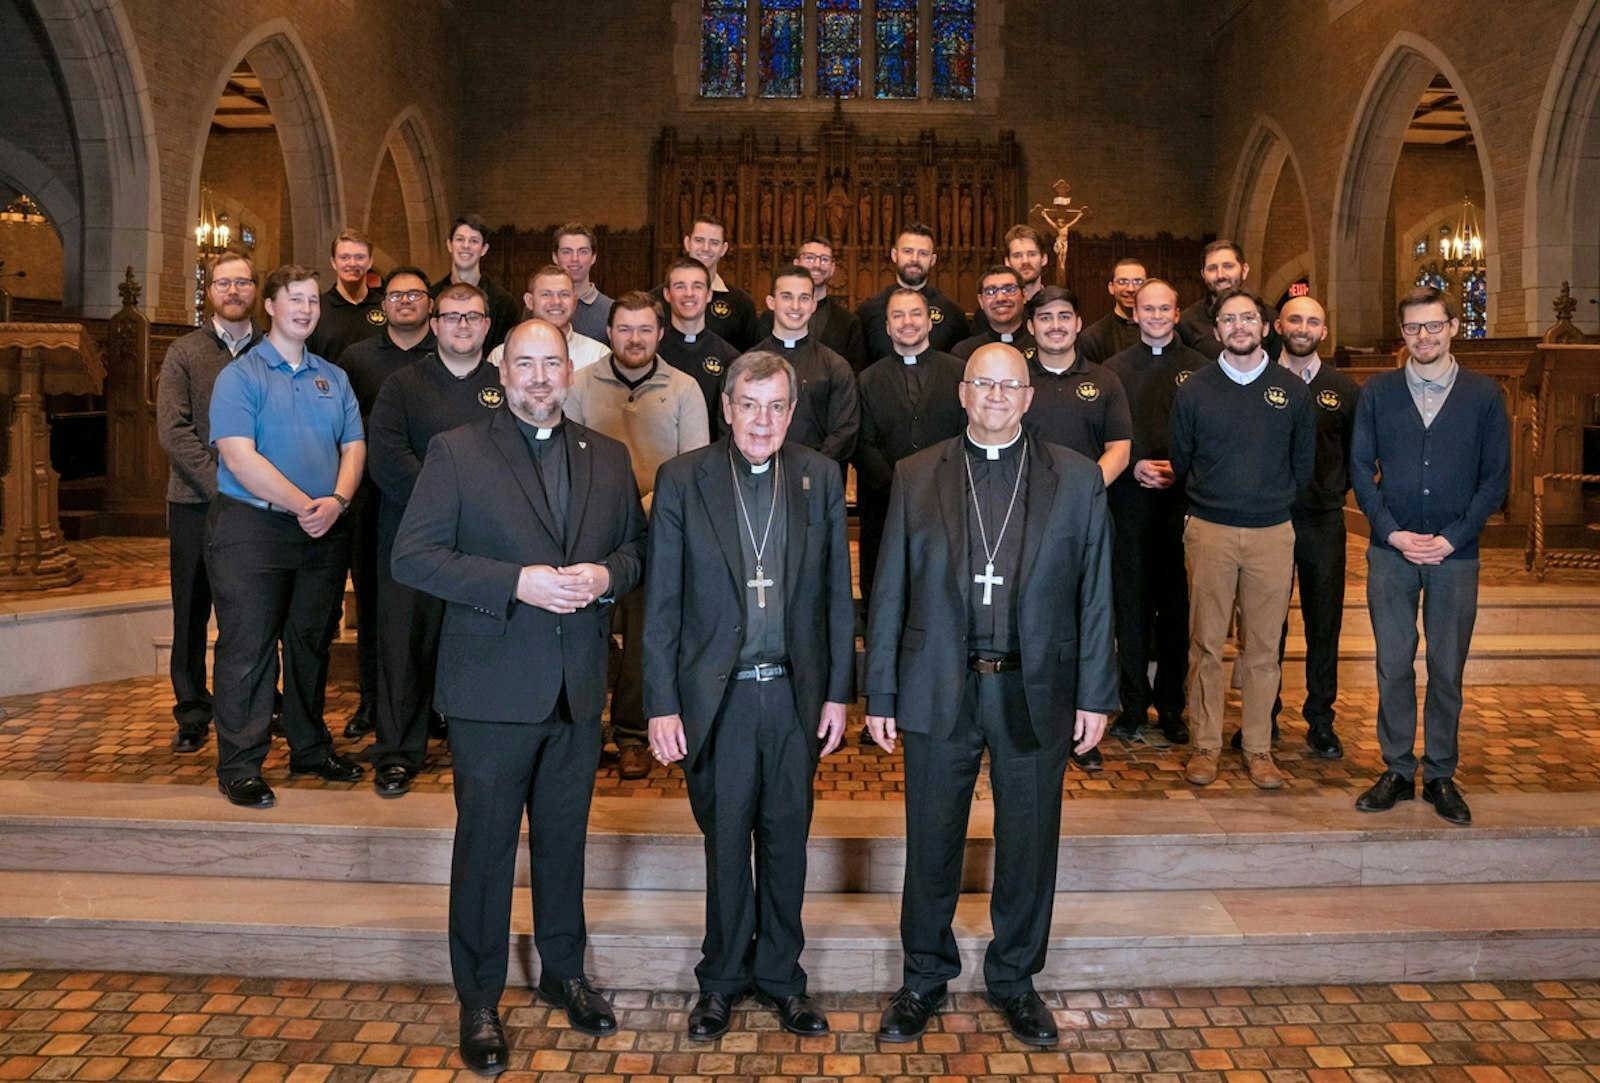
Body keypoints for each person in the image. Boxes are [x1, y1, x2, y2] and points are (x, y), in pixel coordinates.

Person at [391, 318, 646, 1073]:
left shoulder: (607, 455)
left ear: (571, 372)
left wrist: (607, 577)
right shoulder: (458, 452)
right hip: (493, 691)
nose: (539, 378)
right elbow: (415, 556)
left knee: (565, 841)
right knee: (486, 850)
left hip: (575, 689)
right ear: (503, 371)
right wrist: (515, 582)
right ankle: (478, 998)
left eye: (552, 364)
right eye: (525, 363)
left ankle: (565, 972)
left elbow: (635, 550)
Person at [864, 342, 1116, 1047]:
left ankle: (1014, 976)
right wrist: (879, 691)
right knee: (932, 837)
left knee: (1030, 840)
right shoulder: (918, 475)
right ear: (964, 393)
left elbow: (1096, 592)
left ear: (1029, 397)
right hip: (938, 682)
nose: (997, 396)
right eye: (984, 383)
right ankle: (923, 974)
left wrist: (1096, 693)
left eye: (1011, 385)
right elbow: (889, 589)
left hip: (1035, 688)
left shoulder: (1076, 478)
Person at [644, 350, 854, 1042]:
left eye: (776, 406)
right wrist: (661, 701)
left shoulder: (819, 476)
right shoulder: (683, 479)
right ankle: (721, 980)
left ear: (792, 412)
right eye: (749, 404)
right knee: (727, 841)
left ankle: (783, 978)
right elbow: (663, 603)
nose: (762, 420)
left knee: (787, 841)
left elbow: (832, 593)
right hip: (719, 697)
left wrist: (838, 692)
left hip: (794, 693)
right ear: (725, 406)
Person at [206, 264, 367, 808]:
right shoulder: (241, 376)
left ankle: (309, 746)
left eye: (313, 302)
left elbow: (354, 446)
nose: (305, 309)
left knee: (309, 645)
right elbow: (238, 457)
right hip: (254, 528)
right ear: (270, 307)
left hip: (323, 529)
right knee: (248, 648)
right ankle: (240, 763)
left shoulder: (333, 376)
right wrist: (306, 505)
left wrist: (338, 502)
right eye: (294, 299)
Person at [1351, 286, 1510, 827]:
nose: (1424, 337)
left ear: (1453, 328)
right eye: (1414, 328)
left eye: (1433, 326)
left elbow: (1495, 480)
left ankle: (1441, 772)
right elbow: (1359, 471)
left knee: (1446, 668)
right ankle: (1396, 767)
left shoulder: (1484, 395)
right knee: (1393, 665)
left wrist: (1454, 537)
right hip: (1390, 554)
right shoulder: (1377, 392)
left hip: (1456, 555)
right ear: (1403, 335)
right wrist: (1392, 533)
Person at [364, 283, 505, 797]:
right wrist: (448, 506)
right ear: (435, 323)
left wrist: (479, 512)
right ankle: (398, 751)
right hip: (414, 539)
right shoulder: (403, 385)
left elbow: (515, 457)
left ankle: (482, 748)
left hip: (488, 543)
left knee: (481, 646)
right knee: (404, 645)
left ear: (488, 325)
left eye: (472, 316)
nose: (462, 325)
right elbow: (388, 457)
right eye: (451, 316)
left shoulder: (505, 384)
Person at [1169, 289, 1314, 789]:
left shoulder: (1291, 390)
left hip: (1272, 531)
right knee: (1206, 644)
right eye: (1229, 319)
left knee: (1263, 648)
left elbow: (1303, 463)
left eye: (1247, 317)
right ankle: (1205, 745)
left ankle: (1258, 748)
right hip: (1209, 528)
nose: (1239, 326)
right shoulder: (1195, 390)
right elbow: (1182, 458)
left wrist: (1269, 497)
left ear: (1265, 326)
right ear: (1216, 332)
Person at [565, 291, 709, 779]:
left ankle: (630, 734)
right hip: (590, 536)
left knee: (645, 638)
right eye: (624, 328)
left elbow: (692, 468)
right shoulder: (580, 384)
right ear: (608, 333)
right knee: (588, 635)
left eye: (645, 329)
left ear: (660, 334)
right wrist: (607, 516)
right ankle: (584, 730)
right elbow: (569, 457)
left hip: (659, 536)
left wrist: (637, 510)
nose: (634, 338)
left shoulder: (685, 388)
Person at [156, 250, 261, 754]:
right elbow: (173, 429)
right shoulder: (184, 352)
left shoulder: (270, 351)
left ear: (255, 289)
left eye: (242, 282)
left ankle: (253, 701)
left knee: (251, 610)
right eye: (224, 283)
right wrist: (224, 482)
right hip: (197, 503)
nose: (234, 291)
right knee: (192, 610)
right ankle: (193, 709)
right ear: (210, 291)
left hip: (261, 506)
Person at [330, 265, 436, 741]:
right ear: (383, 304)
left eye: (415, 294)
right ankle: (373, 700)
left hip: (438, 499)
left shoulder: (446, 354)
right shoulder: (358, 358)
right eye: (396, 295)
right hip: (373, 498)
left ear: (431, 304)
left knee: (434, 605)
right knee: (374, 602)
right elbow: (342, 428)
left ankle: (433, 704)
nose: (406, 301)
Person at [1102, 280, 1210, 747]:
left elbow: (1210, 435)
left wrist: (1177, 470)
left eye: (1165, 308)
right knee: (1130, 608)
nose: (1157, 315)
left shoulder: (1203, 370)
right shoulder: (1113, 370)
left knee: (1177, 608)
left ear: (1177, 311)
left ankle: (1171, 705)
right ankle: (1131, 706)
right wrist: (1139, 462)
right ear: (1135, 311)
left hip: (1181, 503)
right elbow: (1106, 433)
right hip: (1129, 501)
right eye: (1149, 308)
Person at [1269, 295, 1360, 759]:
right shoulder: (1259, 379)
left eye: (1313, 322)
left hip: (1322, 521)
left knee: (1324, 624)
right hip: (1270, 519)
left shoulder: (1343, 389)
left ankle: (1321, 720)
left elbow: (1356, 455)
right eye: (1295, 319)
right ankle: (1263, 717)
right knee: (1268, 626)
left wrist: (1334, 490)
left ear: (1324, 331)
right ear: (1278, 325)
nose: (1303, 328)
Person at [854, 287, 965, 613]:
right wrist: (898, 488)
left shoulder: (959, 372)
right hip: (883, 504)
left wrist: (934, 486)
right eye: (897, 315)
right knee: (884, 593)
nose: (907, 322)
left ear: (930, 321)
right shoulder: (867, 379)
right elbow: (863, 442)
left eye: (915, 313)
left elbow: (966, 433)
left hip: (946, 501)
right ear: (887, 327)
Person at [753, 265, 860, 467]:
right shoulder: (748, 365)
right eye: (786, 296)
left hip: (817, 477)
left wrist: (810, 468)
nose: (796, 306)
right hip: (758, 474)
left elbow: (845, 430)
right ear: (771, 302)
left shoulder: (835, 366)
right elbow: (734, 424)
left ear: (813, 304)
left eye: (803, 298)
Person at [857, 224, 971, 360]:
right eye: (907, 251)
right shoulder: (868, 310)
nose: (914, 259)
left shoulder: (952, 313)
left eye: (923, 253)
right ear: (894, 255)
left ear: (933, 260)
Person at [759, 235, 869, 370]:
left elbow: (855, 372)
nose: (817, 265)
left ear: (832, 268)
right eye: (809, 258)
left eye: (824, 260)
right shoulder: (770, 318)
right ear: (796, 264)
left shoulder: (848, 323)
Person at [659, 256, 741, 427]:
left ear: (709, 294)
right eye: (680, 286)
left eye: (697, 286)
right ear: (667, 294)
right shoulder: (652, 351)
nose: (689, 293)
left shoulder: (729, 357)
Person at [663, 214, 760, 350]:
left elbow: (750, 356)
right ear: (687, 243)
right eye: (699, 240)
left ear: (723, 249)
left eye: (714, 243)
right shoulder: (657, 299)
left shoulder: (742, 303)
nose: (706, 248)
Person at [486, 264, 609, 371]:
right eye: (546, 294)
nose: (556, 301)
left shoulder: (598, 356)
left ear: (574, 302)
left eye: (564, 294)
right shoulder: (502, 355)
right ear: (529, 301)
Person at [430, 214, 522, 354]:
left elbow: (506, 351)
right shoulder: (432, 297)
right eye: (460, 239)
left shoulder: (504, 303)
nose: (466, 246)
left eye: (474, 241)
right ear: (449, 245)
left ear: (484, 249)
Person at [1176, 241, 1281, 361]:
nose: (1220, 275)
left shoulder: (1268, 317)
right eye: (1212, 268)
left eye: (1228, 266)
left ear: (1244, 270)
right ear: (1203, 275)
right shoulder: (1187, 322)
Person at [306, 228, 385, 364]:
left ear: (370, 262)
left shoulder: (385, 306)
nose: (352, 263)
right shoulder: (316, 308)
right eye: (344, 257)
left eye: (359, 257)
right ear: (333, 262)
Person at [953, 266, 1035, 360]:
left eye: (1009, 290)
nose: (1000, 298)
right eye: (991, 292)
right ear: (981, 301)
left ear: (1024, 296)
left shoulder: (1041, 347)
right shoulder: (965, 352)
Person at [1077, 257, 1146, 365]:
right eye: (1123, 282)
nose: (1131, 289)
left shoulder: (1159, 331)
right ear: (1111, 288)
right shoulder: (1093, 337)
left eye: (1138, 282)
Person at [553, 222, 613, 343]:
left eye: (583, 251)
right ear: (555, 257)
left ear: (593, 257)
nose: (575, 259)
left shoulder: (611, 309)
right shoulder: (539, 306)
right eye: (566, 252)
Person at [1003, 224, 1049, 301]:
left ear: (1044, 259)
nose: (1025, 261)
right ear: (1007, 262)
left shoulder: (1057, 306)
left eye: (1032, 254)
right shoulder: (998, 308)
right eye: (1017, 256)